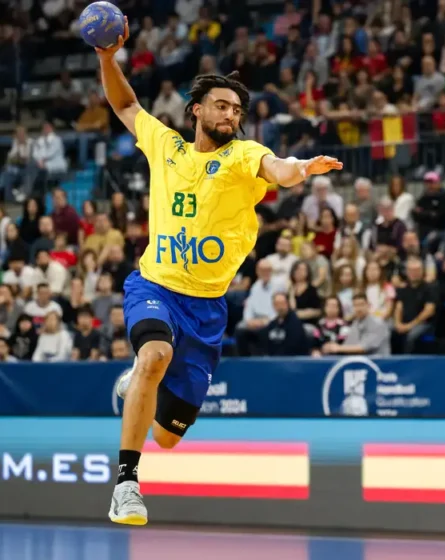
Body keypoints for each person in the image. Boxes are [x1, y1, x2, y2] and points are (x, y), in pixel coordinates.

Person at [95, 20, 342, 526]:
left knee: (166, 436)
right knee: (156, 353)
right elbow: (125, 106)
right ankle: (125, 485)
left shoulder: (243, 157)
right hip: (156, 286)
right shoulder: (167, 147)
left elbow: (277, 167)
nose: (231, 114)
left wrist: (299, 169)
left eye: (237, 109)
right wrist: (105, 57)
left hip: (207, 308)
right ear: (198, 110)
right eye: (222, 106)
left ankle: (139, 379)